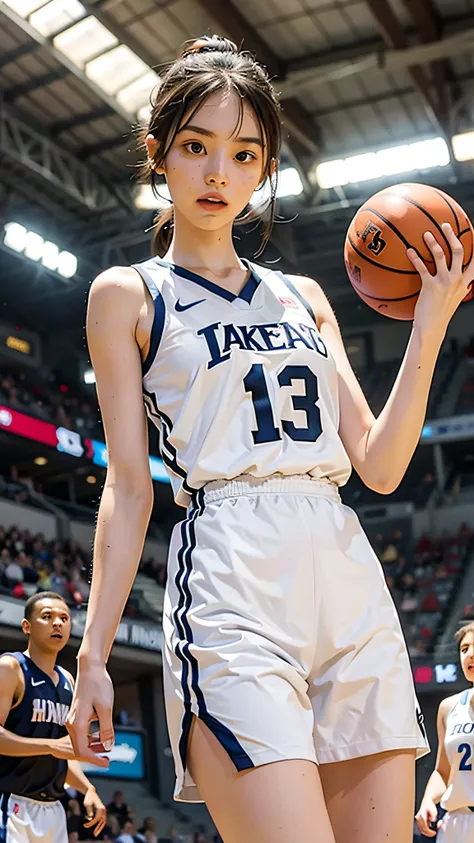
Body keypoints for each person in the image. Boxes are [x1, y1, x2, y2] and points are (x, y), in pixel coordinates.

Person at [65, 33, 473, 843]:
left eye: (244, 153)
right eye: (196, 147)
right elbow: (130, 485)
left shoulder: (306, 295)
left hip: (346, 567)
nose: (220, 173)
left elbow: (384, 465)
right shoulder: (129, 295)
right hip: (231, 575)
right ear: (159, 154)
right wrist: (92, 656)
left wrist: (430, 325)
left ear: (264, 166)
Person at [0, 591, 107, 841]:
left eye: (64, 618)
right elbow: (54, 747)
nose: (57, 623)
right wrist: (51, 746)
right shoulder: (10, 668)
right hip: (10, 802)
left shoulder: (68, 680)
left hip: (53, 809)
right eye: (47, 617)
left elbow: (63, 755)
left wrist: (88, 789)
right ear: (27, 626)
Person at [416, 621, 474, 841]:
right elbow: (443, 771)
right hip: (456, 823)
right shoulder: (448, 708)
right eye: (464, 649)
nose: (470, 654)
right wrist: (428, 800)